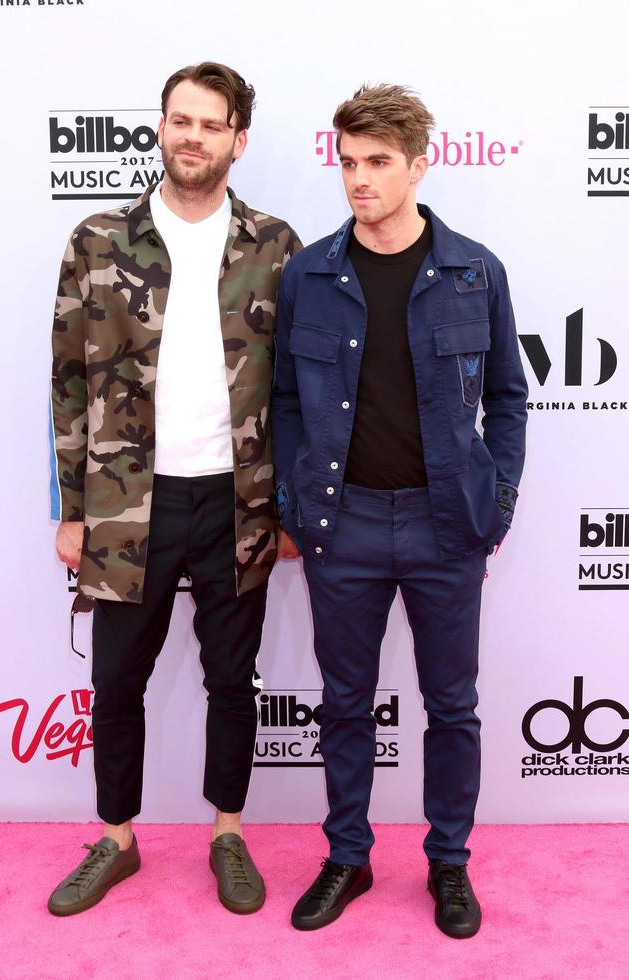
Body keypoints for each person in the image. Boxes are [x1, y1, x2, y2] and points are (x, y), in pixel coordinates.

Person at [272, 84, 527, 937]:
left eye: (378, 162)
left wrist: (496, 501)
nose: (359, 179)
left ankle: (448, 864)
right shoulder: (308, 274)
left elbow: (507, 399)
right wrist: (298, 505)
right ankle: (347, 856)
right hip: (339, 527)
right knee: (344, 702)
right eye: (348, 162)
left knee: (452, 705)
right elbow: (287, 405)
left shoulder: (474, 269)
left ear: (422, 163)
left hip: (446, 525)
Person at [48, 61, 300, 917]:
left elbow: (300, 388)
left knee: (234, 682)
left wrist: (292, 507)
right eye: (180, 120)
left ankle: (228, 833)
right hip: (127, 506)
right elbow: (68, 384)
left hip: (239, 501)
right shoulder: (98, 240)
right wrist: (73, 511)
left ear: (238, 138)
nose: (193, 136)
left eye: (211, 123)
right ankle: (115, 840)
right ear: (161, 126)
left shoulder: (275, 244)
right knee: (119, 683)